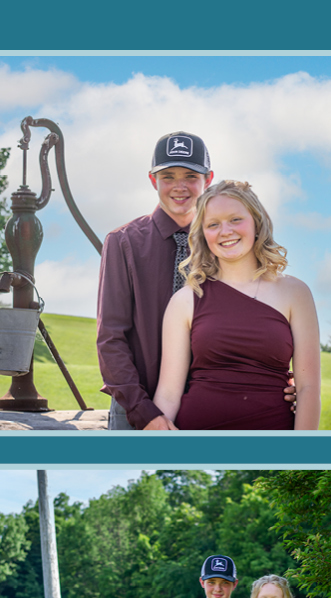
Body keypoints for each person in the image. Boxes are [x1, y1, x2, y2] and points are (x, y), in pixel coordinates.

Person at [95, 132, 294, 430]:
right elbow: (110, 337)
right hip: (138, 408)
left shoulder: (225, 241)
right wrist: (143, 410)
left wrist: (284, 379)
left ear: (208, 179)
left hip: (216, 407)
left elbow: (256, 317)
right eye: (168, 176)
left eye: (190, 175)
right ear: (153, 181)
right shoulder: (122, 243)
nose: (179, 186)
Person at [152, 179, 321, 430]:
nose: (225, 231)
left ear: (256, 222)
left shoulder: (295, 293)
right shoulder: (186, 300)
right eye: (213, 224)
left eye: (235, 219)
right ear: (203, 234)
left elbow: (308, 389)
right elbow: (167, 393)